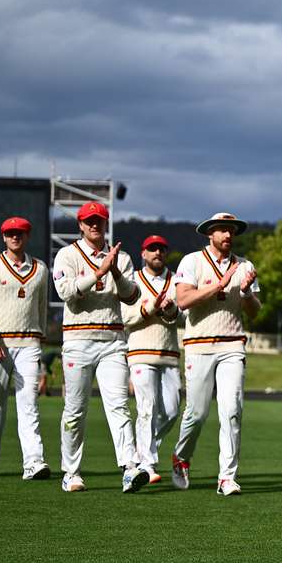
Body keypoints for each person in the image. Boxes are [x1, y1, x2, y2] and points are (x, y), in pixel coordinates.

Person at [52, 201, 148, 493]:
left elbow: (132, 297)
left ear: (106, 224)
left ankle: (130, 468)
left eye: (99, 220)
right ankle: (71, 472)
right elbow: (66, 292)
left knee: (119, 406)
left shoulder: (122, 257)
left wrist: (115, 272)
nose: (94, 225)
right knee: (75, 409)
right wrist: (98, 271)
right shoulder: (67, 255)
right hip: (78, 341)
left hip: (113, 342)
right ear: (80, 225)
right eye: (89, 221)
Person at [171, 212, 260, 496]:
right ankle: (181, 457)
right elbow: (183, 300)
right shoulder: (192, 261)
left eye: (231, 230)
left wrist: (245, 292)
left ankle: (227, 478)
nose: (228, 235)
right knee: (196, 413)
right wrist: (218, 286)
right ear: (209, 233)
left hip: (232, 344)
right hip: (198, 344)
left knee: (232, 410)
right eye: (222, 229)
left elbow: (256, 311)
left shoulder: (245, 265)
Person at [0, 216, 51, 479]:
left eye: (20, 233)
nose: (15, 237)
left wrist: (39, 339)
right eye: (10, 233)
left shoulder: (40, 269)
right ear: (4, 237)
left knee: (29, 403)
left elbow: (41, 308)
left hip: (29, 344)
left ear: (27, 236)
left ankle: (33, 462)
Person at [121, 235, 181, 484]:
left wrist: (170, 310)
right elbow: (125, 318)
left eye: (161, 249)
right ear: (143, 253)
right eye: (152, 249)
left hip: (169, 353)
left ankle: (140, 451)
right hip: (140, 352)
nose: (157, 252)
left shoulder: (177, 280)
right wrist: (150, 308)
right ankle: (147, 464)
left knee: (172, 410)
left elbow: (185, 318)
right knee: (147, 408)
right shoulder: (132, 280)